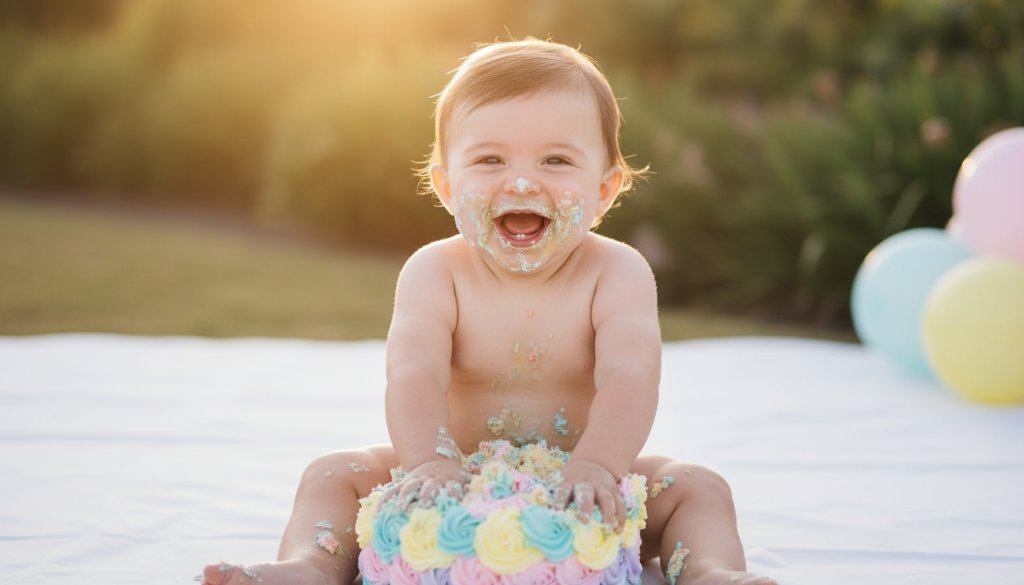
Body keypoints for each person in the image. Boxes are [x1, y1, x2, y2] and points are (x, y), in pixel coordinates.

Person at [202, 38, 775, 585]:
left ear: (605, 191)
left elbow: (631, 374)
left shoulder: (616, 273)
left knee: (697, 486)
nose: (522, 180)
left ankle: (707, 572)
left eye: (555, 160)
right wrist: (428, 460)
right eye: (490, 159)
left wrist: (599, 466)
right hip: (453, 470)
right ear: (446, 186)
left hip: (579, 479)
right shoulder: (435, 272)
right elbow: (413, 372)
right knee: (333, 473)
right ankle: (310, 567)